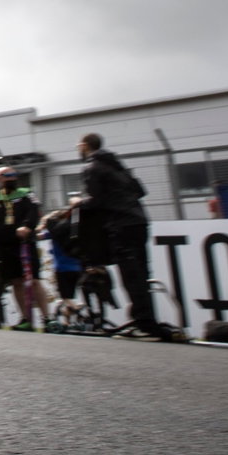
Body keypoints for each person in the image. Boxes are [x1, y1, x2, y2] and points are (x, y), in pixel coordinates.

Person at [71, 133, 167, 340]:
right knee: (141, 274)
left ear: (85, 146)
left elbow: (96, 200)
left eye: (79, 145)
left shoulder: (92, 167)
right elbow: (140, 191)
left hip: (121, 224)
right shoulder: (117, 165)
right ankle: (147, 321)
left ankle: (145, 325)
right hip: (139, 221)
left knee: (132, 276)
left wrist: (78, 203)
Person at [0, 165, 44, 330]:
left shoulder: (26, 194)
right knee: (16, 282)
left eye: (13, 175)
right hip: (3, 247)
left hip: (25, 244)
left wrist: (27, 226)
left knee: (33, 281)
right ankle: (25, 318)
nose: (11, 178)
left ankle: (47, 318)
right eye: (6, 175)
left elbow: (34, 213)